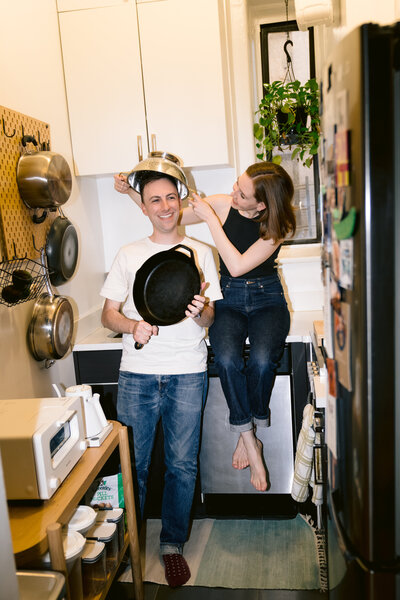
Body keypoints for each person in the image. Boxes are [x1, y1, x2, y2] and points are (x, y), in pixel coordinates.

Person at [114, 161, 296, 494]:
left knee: (261, 360)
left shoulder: (279, 225)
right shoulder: (226, 203)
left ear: (262, 205)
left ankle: (247, 431)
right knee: (226, 359)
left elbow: (238, 265)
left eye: (241, 194)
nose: (232, 194)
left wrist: (213, 220)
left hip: (267, 298)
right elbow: (169, 213)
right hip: (229, 299)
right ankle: (248, 436)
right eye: (236, 185)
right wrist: (132, 193)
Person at [102, 169, 222, 588]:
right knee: (131, 464)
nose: (166, 207)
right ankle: (126, 542)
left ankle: (172, 545)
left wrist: (200, 310)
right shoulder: (128, 253)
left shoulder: (201, 252)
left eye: (171, 197)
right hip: (137, 375)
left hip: (188, 371)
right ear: (145, 206)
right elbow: (108, 314)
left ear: (180, 200)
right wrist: (131, 325)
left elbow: (210, 316)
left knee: (181, 465)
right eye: (155, 200)